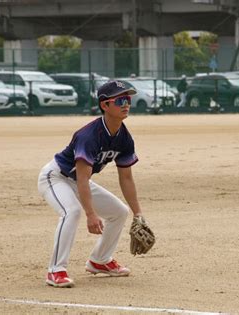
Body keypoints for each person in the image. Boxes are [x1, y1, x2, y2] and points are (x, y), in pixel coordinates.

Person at [37, 80, 146, 287]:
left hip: (78, 181)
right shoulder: (89, 135)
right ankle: (55, 270)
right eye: (120, 100)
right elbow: (83, 177)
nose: (126, 105)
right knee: (72, 212)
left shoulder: (124, 137)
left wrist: (138, 213)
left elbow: (126, 178)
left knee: (119, 212)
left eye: (128, 99)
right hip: (55, 177)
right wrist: (90, 214)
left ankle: (100, 260)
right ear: (105, 105)